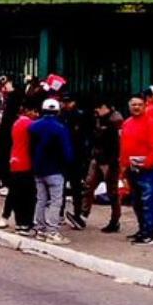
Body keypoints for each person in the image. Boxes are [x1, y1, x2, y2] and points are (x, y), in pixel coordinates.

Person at [120, 94, 153, 246]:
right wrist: (124, 166)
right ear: (129, 106)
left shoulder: (152, 123)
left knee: (148, 202)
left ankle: (149, 234)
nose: (136, 107)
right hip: (132, 167)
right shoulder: (127, 123)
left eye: (139, 104)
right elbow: (124, 147)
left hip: (147, 168)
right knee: (137, 202)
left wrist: (148, 163)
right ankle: (142, 230)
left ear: (145, 105)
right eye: (133, 104)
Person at [29, 98, 74, 244]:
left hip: (38, 168)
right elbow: (67, 151)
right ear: (57, 111)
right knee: (55, 201)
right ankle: (52, 231)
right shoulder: (60, 128)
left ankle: (40, 229)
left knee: (41, 199)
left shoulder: (33, 126)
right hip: (55, 169)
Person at [80, 98, 124, 233]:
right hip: (98, 157)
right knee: (88, 186)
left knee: (112, 192)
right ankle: (83, 215)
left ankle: (115, 220)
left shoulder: (115, 121)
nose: (96, 111)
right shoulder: (100, 119)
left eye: (98, 108)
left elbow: (116, 143)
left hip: (109, 160)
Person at [0, 101, 38, 235]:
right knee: (27, 195)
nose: (36, 114)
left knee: (15, 193)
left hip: (15, 161)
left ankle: (17, 221)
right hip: (25, 163)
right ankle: (25, 223)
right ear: (28, 110)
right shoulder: (30, 124)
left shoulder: (17, 123)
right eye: (34, 111)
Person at [60, 93, 91, 230]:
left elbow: (85, 137)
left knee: (76, 187)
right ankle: (60, 213)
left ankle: (77, 213)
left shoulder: (80, 116)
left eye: (69, 102)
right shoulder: (60, 116)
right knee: (60, 187)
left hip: (77, 157)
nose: (66, 105)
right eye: (64, 102)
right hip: (63, 157)